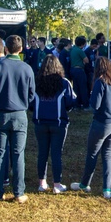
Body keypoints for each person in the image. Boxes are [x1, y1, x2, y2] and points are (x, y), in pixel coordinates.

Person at [0, 36, 35, 203]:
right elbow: (32, 94)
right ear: (20, 50)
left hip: (0, 114)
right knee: (18, 154)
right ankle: (19, 192)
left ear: (6, 49)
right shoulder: (26, 68)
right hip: (20, 113)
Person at [71, 57, 111, 199]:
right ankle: (107, 189)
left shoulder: (100, 82)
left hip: (103, 123)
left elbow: (95, 105)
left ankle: (85, 184)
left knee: (92, 153)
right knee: (108, 155)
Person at [33, 54, 76, 194]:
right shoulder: (64, 82)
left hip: (40, 122)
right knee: (56, 153)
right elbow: (70, 102)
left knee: (42, 153)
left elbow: (30, 102)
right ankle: (57, 184)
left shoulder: (36, 82)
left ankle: (42, 183)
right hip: (58, 123)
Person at [69, 36, 90, 108]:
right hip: (79, 70)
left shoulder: (73, 49)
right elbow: (87, 60)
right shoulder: (80, 51)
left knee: (76, 87)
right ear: (82, 44)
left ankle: (76, 104)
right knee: (83, 87)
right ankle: (85, 104)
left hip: (72, 69)